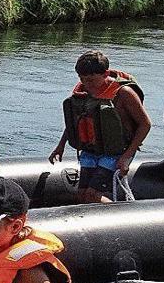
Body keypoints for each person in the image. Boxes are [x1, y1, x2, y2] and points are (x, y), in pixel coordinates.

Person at [50, 50, 151, 203]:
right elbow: (77, 122)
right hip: (91, 150)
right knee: (82, 193)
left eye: (91, 79)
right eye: (82, 78)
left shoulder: (123, 93)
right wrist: (60, 146)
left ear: (105, 74)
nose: (86, 83)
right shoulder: (84, 90)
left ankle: (119, 217)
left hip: (117, 152)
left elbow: (145, 124)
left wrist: (126, 157)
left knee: (93, 194)